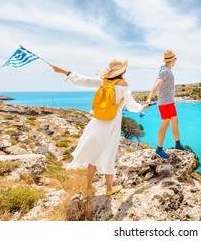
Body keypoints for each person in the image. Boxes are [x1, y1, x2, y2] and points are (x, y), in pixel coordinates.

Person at [51, 59, 148, 196]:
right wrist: (142, 107)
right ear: (123, 71)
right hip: (112, 121)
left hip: (97, 121)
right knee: (109, 153)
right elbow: (131, 106)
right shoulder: (123, 84)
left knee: (93, 155)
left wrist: (64, 71)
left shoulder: (104, 81)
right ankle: (109, 189)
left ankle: (89, 187)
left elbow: (82, 80)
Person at [146, 50, 188, 159]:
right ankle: (159, 149)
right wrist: (149, 98)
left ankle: (178, 144)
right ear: (171, 60)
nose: (176, 61)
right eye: (175, 59)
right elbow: (157, 84)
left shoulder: (168, 70)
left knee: (175, 121)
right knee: (165, 125)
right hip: (165, 103)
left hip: (170, 102)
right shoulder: (164, 71)